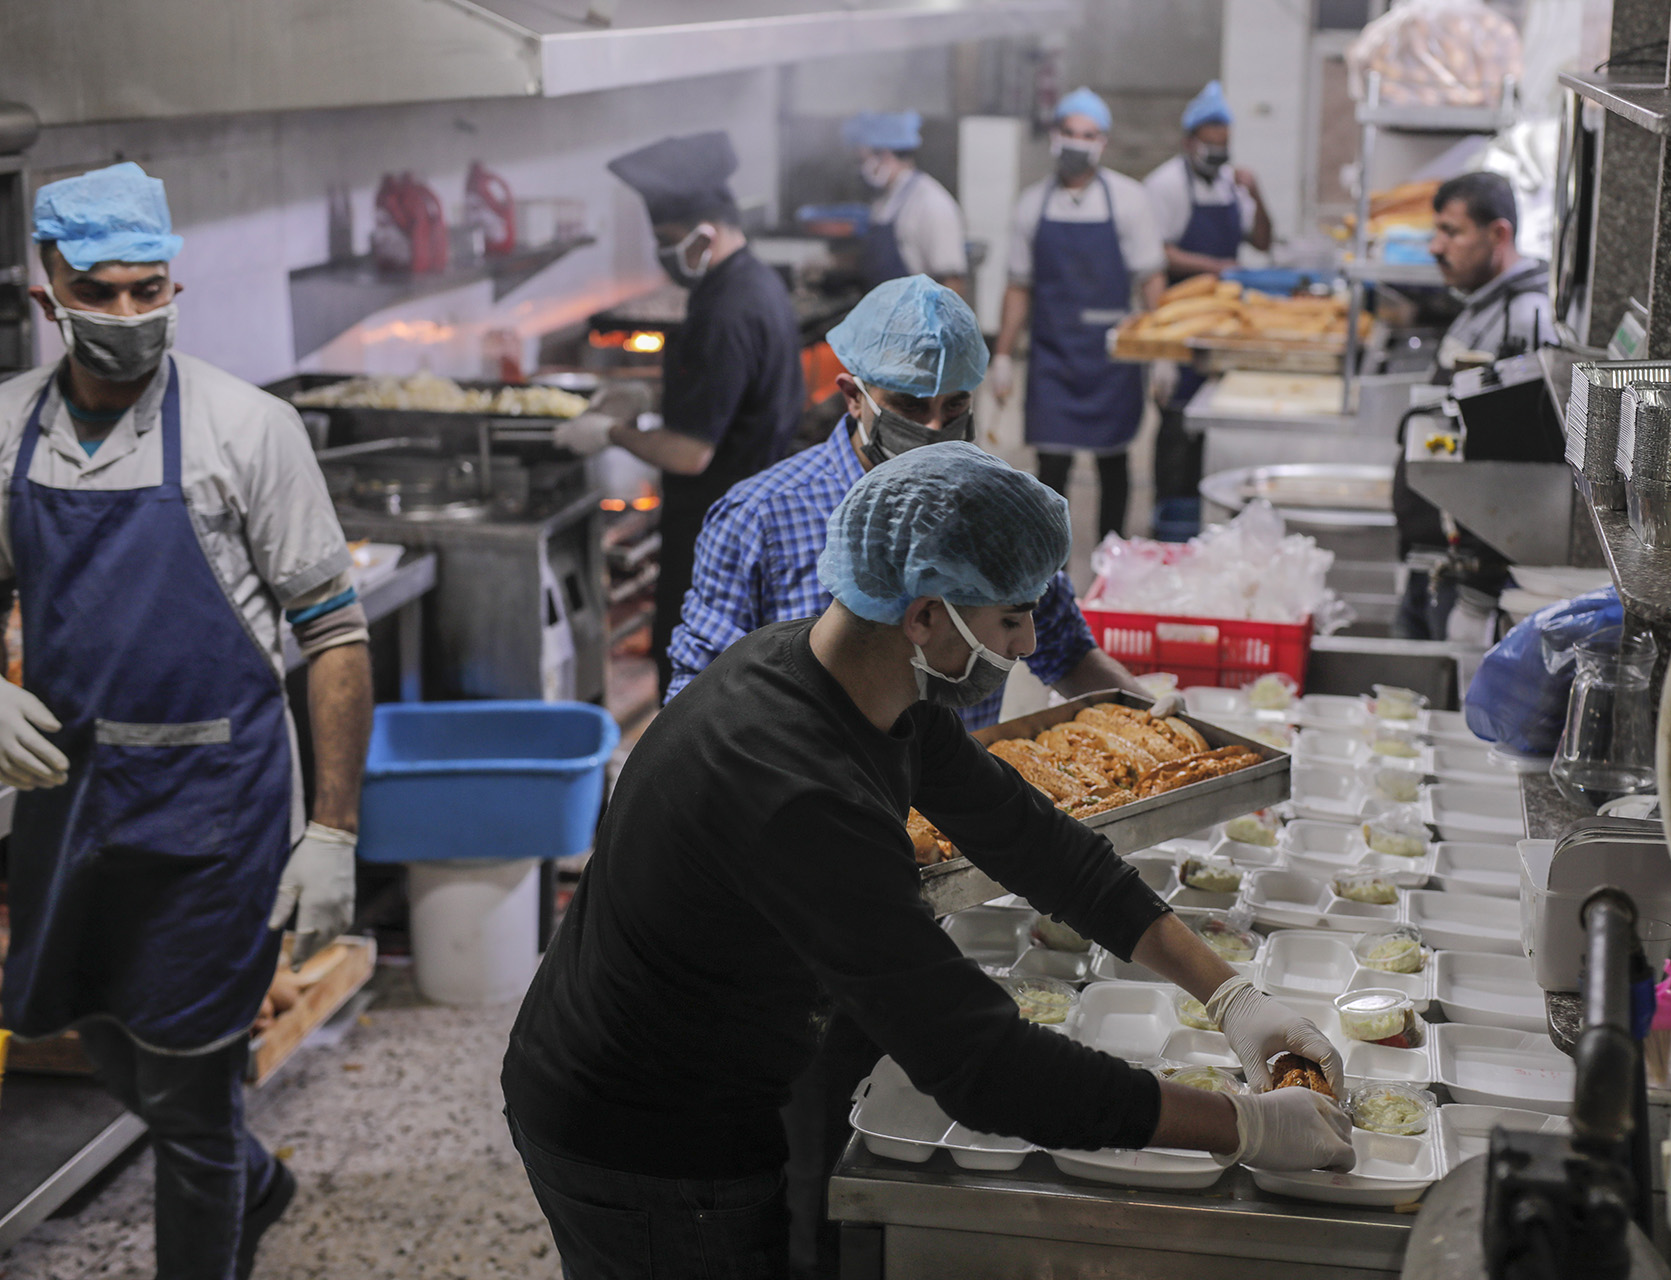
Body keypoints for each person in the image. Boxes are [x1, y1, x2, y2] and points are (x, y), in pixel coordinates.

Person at [502, 442, 1354, 1280]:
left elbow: (1040, 844)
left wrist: (1232, 995)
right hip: (641, 1138)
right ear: (924, 615)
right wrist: (1241, 1126)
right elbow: (985, 1069)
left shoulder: (860, 686)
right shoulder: (797, 790)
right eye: (1011, 618)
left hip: (694, 1079)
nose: (1025, 648)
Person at [0, 162, 374, 1279]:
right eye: (101, 293)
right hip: (70, 801)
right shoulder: (8, 429)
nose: (128, 315)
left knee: (193, 1095)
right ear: (46, 292)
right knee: (100, 1034)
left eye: (149, 290)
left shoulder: (245, 429)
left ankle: (224, 1200)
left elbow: (335, 636)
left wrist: (335, 830)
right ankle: (255, 1176)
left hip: (215, 809)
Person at [669, 274, 1161, 734]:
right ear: (853, 397)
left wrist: (1155, 721)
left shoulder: (997, 510)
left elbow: (1065, 651)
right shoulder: (761, 518)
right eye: (909, 405)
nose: (932, 430)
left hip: (957, 806)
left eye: (954, 407)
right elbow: (700, 696)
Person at [560, 132, 804, 695]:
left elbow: (689, 453)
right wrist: (649, 397)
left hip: (712, 533)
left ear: (706, 232)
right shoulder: (756, 282)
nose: (665, 256)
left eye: (669, 242)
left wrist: (610, 432)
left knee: (697, 686)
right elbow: (729, 391)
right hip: (754, 515)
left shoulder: (725, 310)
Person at [990, 87, 1167, 540]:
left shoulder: (1129, 200)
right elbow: (1018, 286)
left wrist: (1164, 349)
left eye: (1088, 135)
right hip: (1053, 358)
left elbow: (1151, 279)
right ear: (1054, 135)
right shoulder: (1032, 205)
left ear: (1102, 143)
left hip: (1113, 359)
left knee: (1113, 463)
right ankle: (1052, 575)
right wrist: (1004, 355)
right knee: (1051, 469)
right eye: (1069, 132)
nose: (1077, 142)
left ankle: (1112, 556)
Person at [1392, 171, 1556, 642]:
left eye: (1452, 232)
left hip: (1468, 573)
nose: (1435, 247)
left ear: (1498, 234)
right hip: (1433, 555)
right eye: (1436, 231)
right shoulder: (1482, 302)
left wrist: (1480, 593)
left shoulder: (1525, 317)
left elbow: (1518, 457)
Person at [1142, 80, 1274, 537]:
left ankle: (1206, 516)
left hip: (1222, 327)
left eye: (1224, 146)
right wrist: (1215, 267)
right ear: (1189, 143)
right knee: (1177, 426)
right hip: (1181, 325)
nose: (1218, 154)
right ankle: (1170, 518)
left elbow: (1262, 241)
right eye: (1210, 145)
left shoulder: (1229, 185)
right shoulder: (1164, 185)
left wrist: (1257, 194)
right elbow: (1155, 252)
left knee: (1213, 426)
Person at [841, 110, 970, 296]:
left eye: (864, 159)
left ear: (884, 155)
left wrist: (935, 325)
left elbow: (952, 281)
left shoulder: (930, 202)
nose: (862, 168)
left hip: (916, 321)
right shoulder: (884, 201)